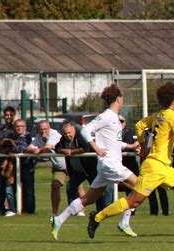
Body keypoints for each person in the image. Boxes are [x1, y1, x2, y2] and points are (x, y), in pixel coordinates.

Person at [87, 82, 174, 238]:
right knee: (133, 202)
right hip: (155, 168)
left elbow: (139, 125)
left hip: (162, 166)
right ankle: (97, 218)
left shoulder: (158, 116)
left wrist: (143, 146)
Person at [50, 84, 139, 240]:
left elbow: (113, 142)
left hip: (107, 165)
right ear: (119, 98)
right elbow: (85, 130)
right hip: (110, 164)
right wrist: (96, 148)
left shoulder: (115, 119)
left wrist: (130, 146)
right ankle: (123, 222)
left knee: (88, 199)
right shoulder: (107, 116)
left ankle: (59, 219)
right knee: (140, 187)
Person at [55, 122, 113, 215]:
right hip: (78, 171)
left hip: (90, 169)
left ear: (74, 130)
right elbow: (56, 148)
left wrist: (72, 152)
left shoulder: (81, 136)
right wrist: (63, 150)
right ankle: (72, 211)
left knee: (97, 190)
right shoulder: (63, 139)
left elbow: (86, 148)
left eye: (69, 133)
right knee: (70, 188)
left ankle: (101, 211)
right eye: (65, 133)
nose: (67, 135)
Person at [26, 120, 67, 215]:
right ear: (38, 130)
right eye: (41, 129)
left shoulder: (54, 134)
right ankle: (54, 212)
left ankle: (81, 212)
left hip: (70, 164)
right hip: (58, 167)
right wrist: (34, 150)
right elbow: (28, 149)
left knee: (77, 188)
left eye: (45, 129)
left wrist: (38, 150)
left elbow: (47, 147)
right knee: (55, 186)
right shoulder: (38, 136)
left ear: (49, 128)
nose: (43, 131)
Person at [6, 119, 35, 214]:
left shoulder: (28, 137)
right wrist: (9, 148)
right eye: (17, 126)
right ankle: (12, 209)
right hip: (13, 166)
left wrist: (11, 147)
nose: (19, 128)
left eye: (21, 126)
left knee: (28, 190)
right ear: (14, 127)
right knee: (11, 188)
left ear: (25, 127)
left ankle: (30, 211)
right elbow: (4, 147)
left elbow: (22, 149)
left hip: (27, 165)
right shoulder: (10, 136)